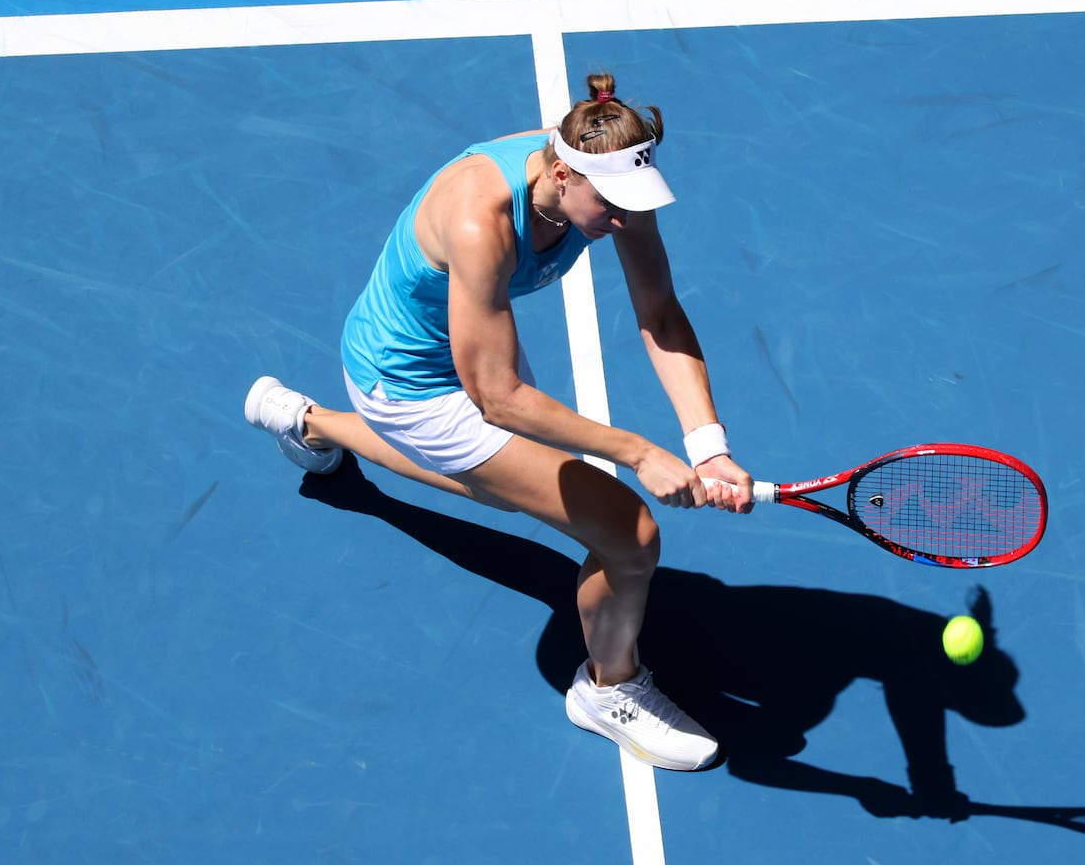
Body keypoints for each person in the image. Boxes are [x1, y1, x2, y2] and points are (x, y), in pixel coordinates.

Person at [244, 72, 753, 771]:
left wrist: (708, 445)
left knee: (507, 486)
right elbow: (499, 399)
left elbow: (659, 313)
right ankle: (607, 690)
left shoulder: (612, 181)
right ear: (564, 172)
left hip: (475, 351)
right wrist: (640, 451)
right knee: (630, 536)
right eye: (609, 206)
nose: (622, 221)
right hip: (410, 383)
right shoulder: (481, 219)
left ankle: (310, 424)